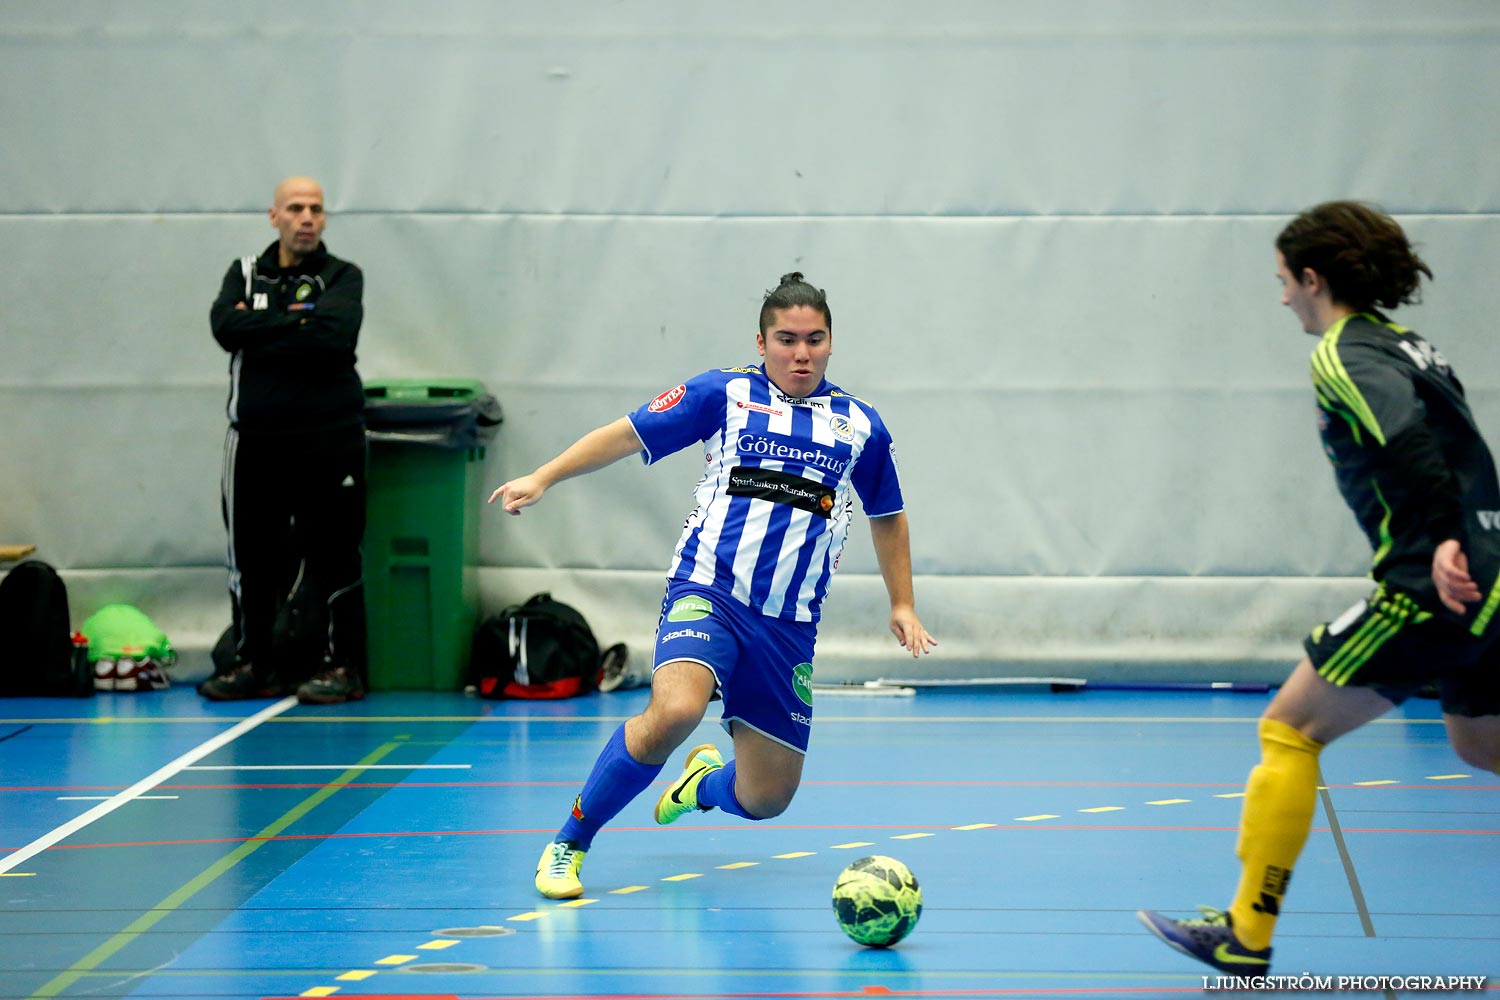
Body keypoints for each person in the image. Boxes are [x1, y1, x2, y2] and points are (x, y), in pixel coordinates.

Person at [491, 272, 937, 899]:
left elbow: (887, 515)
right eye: (786, 339)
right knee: (676, 709)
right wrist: (544, 477)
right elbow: (625, 434)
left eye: (814, 339)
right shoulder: (720, 394)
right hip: (709, 590)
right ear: (761, 342)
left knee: (765, 799)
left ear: (832, 343)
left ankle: (698, 785)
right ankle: (571, 842)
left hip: (787, 626)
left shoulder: (860, 426)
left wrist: (903, 602)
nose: (800, 353)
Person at [1139, 202, 1500, 973]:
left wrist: (1439, 540)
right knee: (1482, 744)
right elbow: (1468, 448)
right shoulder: (1414, 346)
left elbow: (1405, 439)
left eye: (1284, 283)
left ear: (1313, 278)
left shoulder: (1346, 351)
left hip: (1436, 577)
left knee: (1289, 730)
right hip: (1492, 570)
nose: (1282, 300)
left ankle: (1246, 933)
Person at [200, 176, 370, 705]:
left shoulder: (343, 276)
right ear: (274, 216)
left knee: (335, 554)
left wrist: (265, 324)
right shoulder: (243, 273)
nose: (307, 218)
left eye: (316, 209)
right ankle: (254, 663)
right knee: (252, 558)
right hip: (255, 442)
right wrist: (296, 323)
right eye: (295, 208)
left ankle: (342, 666)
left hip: (330, 437)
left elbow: (334, 335)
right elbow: (225, 326)